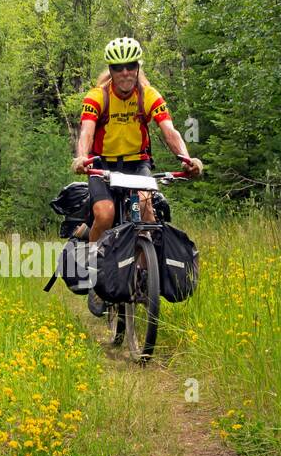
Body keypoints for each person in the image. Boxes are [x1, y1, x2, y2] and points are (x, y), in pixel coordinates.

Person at [72, 37, 202, 316]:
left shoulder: (148, 95)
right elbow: (86, 131)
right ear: (111, 69)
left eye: (130, 66)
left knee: (147, 215)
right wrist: (82, 157)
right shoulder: (98, 96)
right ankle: (96, 277)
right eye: (119, 68)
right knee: (105, 214)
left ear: (137, 67)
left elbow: (169, 130)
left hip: (137, 164)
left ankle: (144, 276)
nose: (125, 73)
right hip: (102, 165)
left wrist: (186, 158)